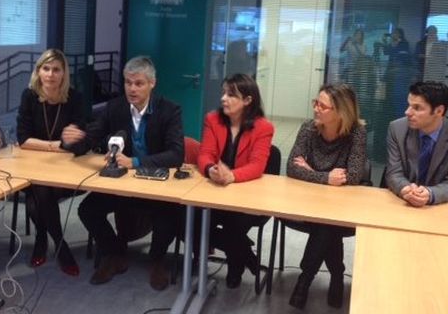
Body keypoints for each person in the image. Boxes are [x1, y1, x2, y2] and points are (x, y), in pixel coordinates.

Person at [62, 56, 184, 291]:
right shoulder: (115, 107)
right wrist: (71, 141)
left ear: (152, 83)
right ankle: (115, 253)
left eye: (138, 83)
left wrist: (135, 162)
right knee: (88, 209)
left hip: (155, 184)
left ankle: (157, 259)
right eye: (128, 83)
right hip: (122, 185)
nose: (132, 89)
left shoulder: (169, 110)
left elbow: (176, 154)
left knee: (170, 214)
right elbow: (92, 137)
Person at [286, 83, 366, 310]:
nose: (316, 109)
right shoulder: (309, 128)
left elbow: (353, 176)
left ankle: (305, 279)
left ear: (341, 112)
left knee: (326, 225)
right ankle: (337, 273)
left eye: (323, 106)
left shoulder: (356, 133)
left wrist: (310, 172)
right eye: (316, 103)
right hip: (307, 201)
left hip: (341, 205)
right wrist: (325, 178)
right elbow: (292, 168)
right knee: (327, 226)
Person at [197, 73, 274, 288]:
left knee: (233, 226)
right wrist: (210, 169)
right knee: (190, 220)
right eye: (223, 92)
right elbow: (204, 154)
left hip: (246, 198)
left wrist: (231, 176)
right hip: (215, 191)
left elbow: (257, 166)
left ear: (248, 101)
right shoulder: (213, 119)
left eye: (231, 95)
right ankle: (247, 256)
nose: (223, 98)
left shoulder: (263, 127)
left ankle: (236, 265)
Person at [16, 49, 85, 276]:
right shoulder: (29, 96)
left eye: (56, 69)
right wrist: (56, 145)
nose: (51, 74)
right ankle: (61, 246)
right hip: (33, 166)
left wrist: (66, 142)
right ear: (38, 71)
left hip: (66, 169)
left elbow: (79, 137)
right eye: (46, 69)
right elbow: (23, 139)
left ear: (64, 73)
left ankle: (41, 239)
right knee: (40, 189)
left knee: (37, 199)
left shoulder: (74, 98)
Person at [386, 81, 448, 206]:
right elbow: (394, 173)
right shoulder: (397, 129)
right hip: (401, 203)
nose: (407, 112)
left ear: (439, 111)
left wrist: (430, 194)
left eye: (417, 108)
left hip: (439, 208)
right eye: (409, 105)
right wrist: (406, 189)